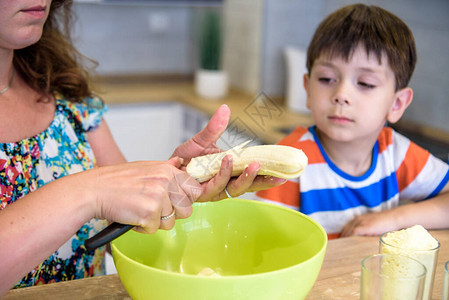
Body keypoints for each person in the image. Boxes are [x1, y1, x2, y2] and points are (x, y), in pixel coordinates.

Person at [0, 0, 285, 295]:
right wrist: (88, 191)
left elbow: (117, 237)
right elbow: (96, 192)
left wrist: (168, 194)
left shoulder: (69, 98)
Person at [255, 4, 449, 239]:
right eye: (327, 79)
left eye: (365, 83)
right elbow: (262, 247)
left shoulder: (397, 154)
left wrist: (393, 219)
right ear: (307, 90)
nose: (341, 94)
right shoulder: (289, 165)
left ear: (396, 104)